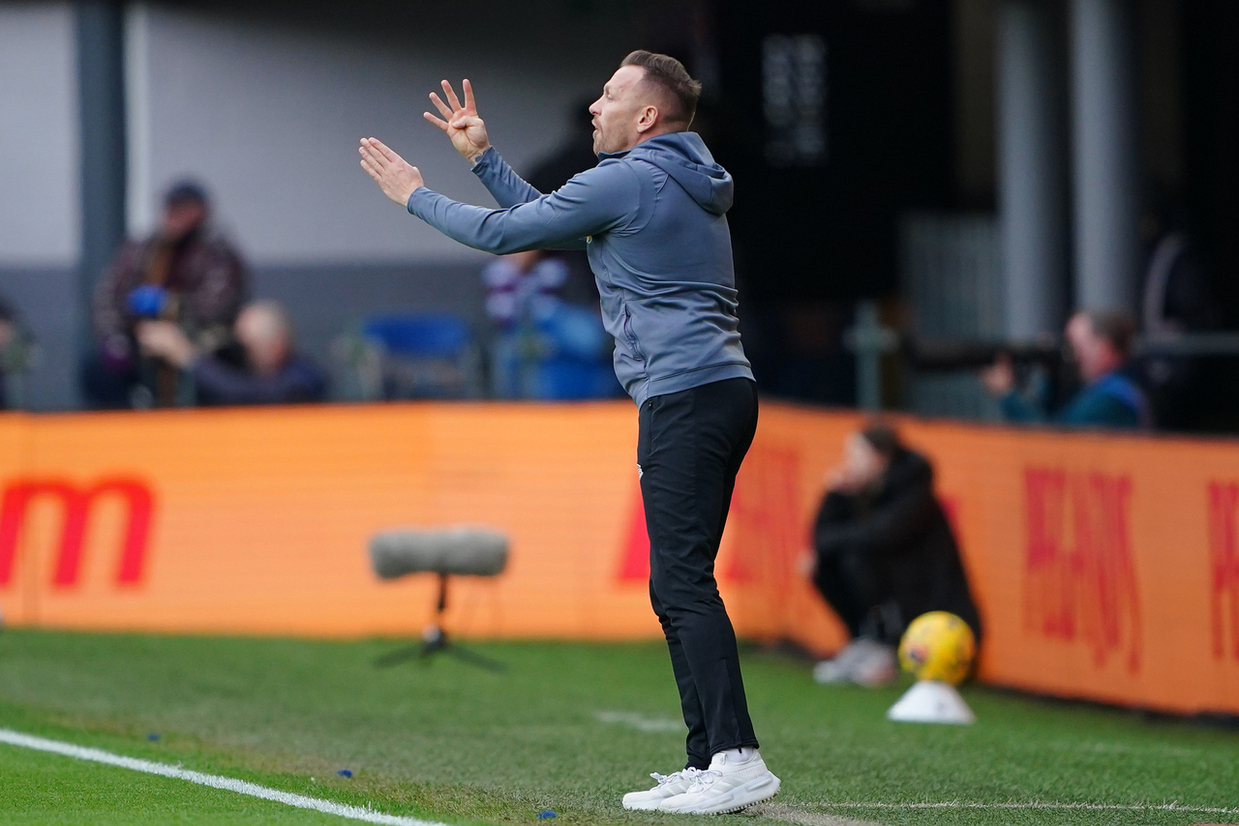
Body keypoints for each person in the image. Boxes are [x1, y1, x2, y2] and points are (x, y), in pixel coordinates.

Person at [358, 51, 779, 815]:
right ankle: (706, 759)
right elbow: (548, 222)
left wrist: (414, 195)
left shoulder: (629, 177)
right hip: (717, 389)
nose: (594, 106)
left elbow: (504, 235)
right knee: (675, 583)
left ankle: (735, 757)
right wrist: (484, 160)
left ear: (646, 117)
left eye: (611, 95)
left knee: (682, 583)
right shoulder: (678, 175)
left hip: (683, 397)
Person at [807, 424, 982, 687]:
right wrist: (835, 496)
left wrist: (839, 537)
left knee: (857, 557)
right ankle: (867, 641)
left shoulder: (914, 489)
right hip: (896, 597)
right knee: (822, 564)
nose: (848, 464)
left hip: (935, 612)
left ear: (879, 458)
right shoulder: (862, 492)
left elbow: (880, 535)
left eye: (856, 455)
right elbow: (821, 541)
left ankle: (887, 647)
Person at [83, 180, 248, 408]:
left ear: (201, 211)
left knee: (217, 373)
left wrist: (171, 306)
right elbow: (108, 297)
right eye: (171, 208)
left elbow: (219, 304)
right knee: (98, 373)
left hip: (197, 342)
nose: (174, 216)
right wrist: (115, 338)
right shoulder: (144, 249)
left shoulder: (217, 252)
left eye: (183, 209)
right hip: (142, 341)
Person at [981, 310, 1152, 429]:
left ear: (1103, 348)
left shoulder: (1112, 397)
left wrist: (1007, 394)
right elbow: (1052, 419)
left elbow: (1054, 441)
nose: (1072, 356)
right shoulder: (1097, 390)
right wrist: (1051, 376)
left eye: (1076, 346)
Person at [136, 300, 326, 405]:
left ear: (277, 345)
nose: (241, 354)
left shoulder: (303, 378)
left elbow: (247, 393)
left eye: (248, 347)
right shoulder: (250, 372)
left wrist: (188, 356)